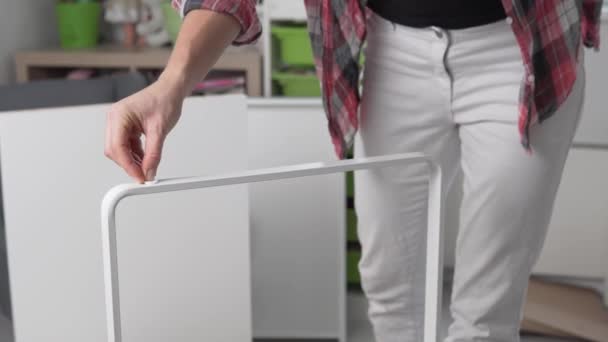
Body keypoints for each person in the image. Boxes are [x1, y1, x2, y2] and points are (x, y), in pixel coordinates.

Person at [104, 0, 604, 341]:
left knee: (485, 310)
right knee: (390, 290)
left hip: (521, 49)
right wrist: (169, 85)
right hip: (392, 46)